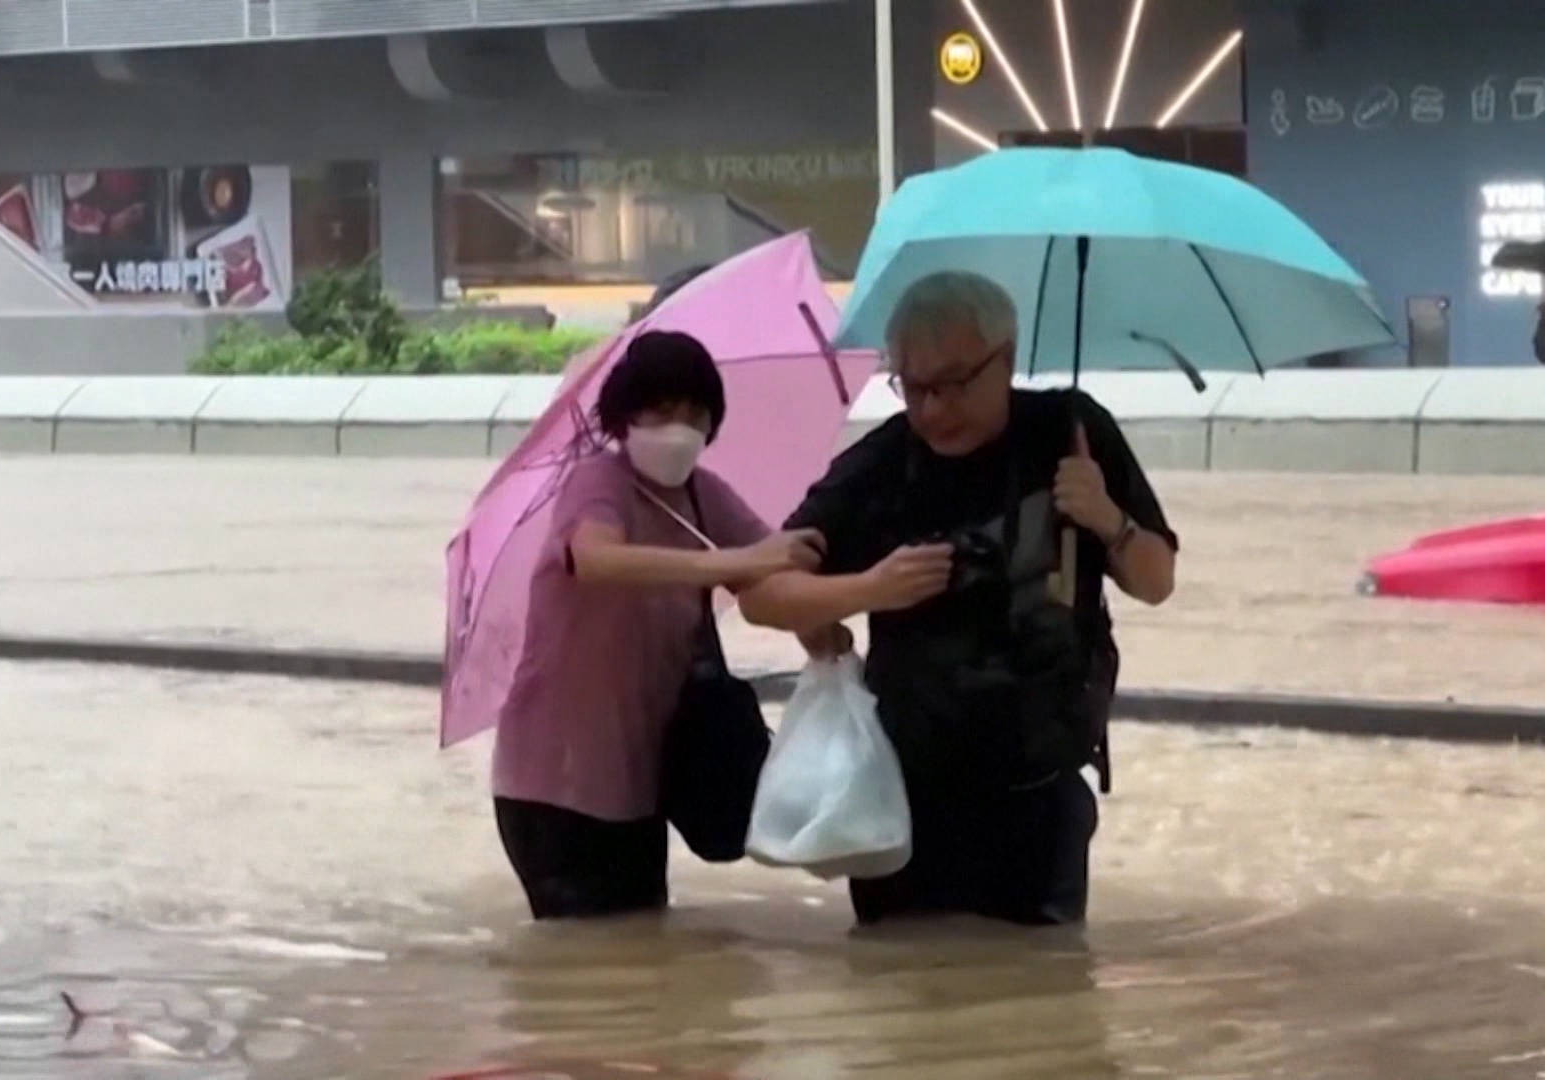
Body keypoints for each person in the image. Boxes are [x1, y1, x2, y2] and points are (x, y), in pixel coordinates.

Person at [739, 271, 1179, 927]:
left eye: (953, 383)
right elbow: (763, 593)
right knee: (902, 992)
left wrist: (1106, 517)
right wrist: (869, 588)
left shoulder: (1072, 434)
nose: (933, 410)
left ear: (1005, 360)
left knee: (1043, 998)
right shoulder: (883, 464)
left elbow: (1156, 581)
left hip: (1041, 790)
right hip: (905, 798)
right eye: (913, 387)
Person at [492, 330, 824, 920]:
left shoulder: (703, 497)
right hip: (556, 781)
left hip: (642, 781)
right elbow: (598, 559)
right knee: (592, 969)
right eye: (662, 410)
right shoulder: (596, 483)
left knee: (641, 944)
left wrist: (820, 624)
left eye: (695, 414)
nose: (679, 429)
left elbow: (773, 566)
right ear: (625, 416)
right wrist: (730, 562)